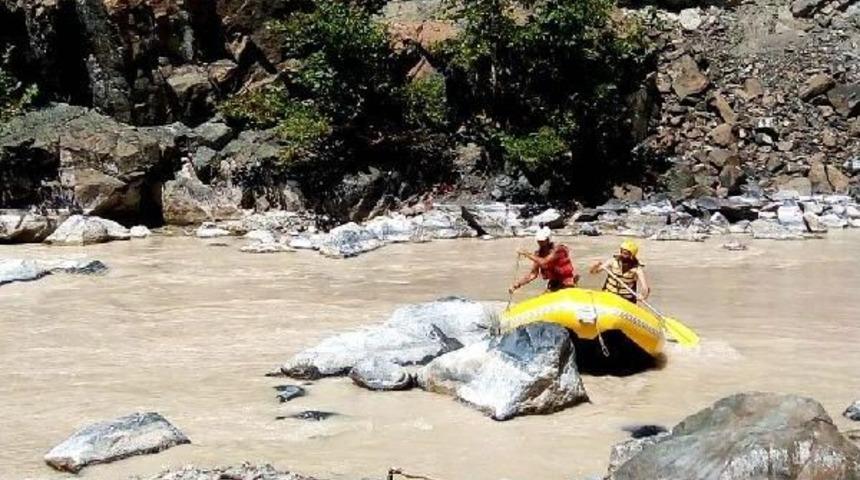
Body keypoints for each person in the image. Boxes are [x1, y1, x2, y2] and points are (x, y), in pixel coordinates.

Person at [509, 227, 579, 294]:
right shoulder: (538, 254)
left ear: (548, 239)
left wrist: (526, 253)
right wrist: (517, 285)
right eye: (539, 241)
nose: (540, 243)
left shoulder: (559, 249)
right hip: (553, 283)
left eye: (542, 241)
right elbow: (533, 274)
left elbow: (544, 261)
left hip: (566, 282)